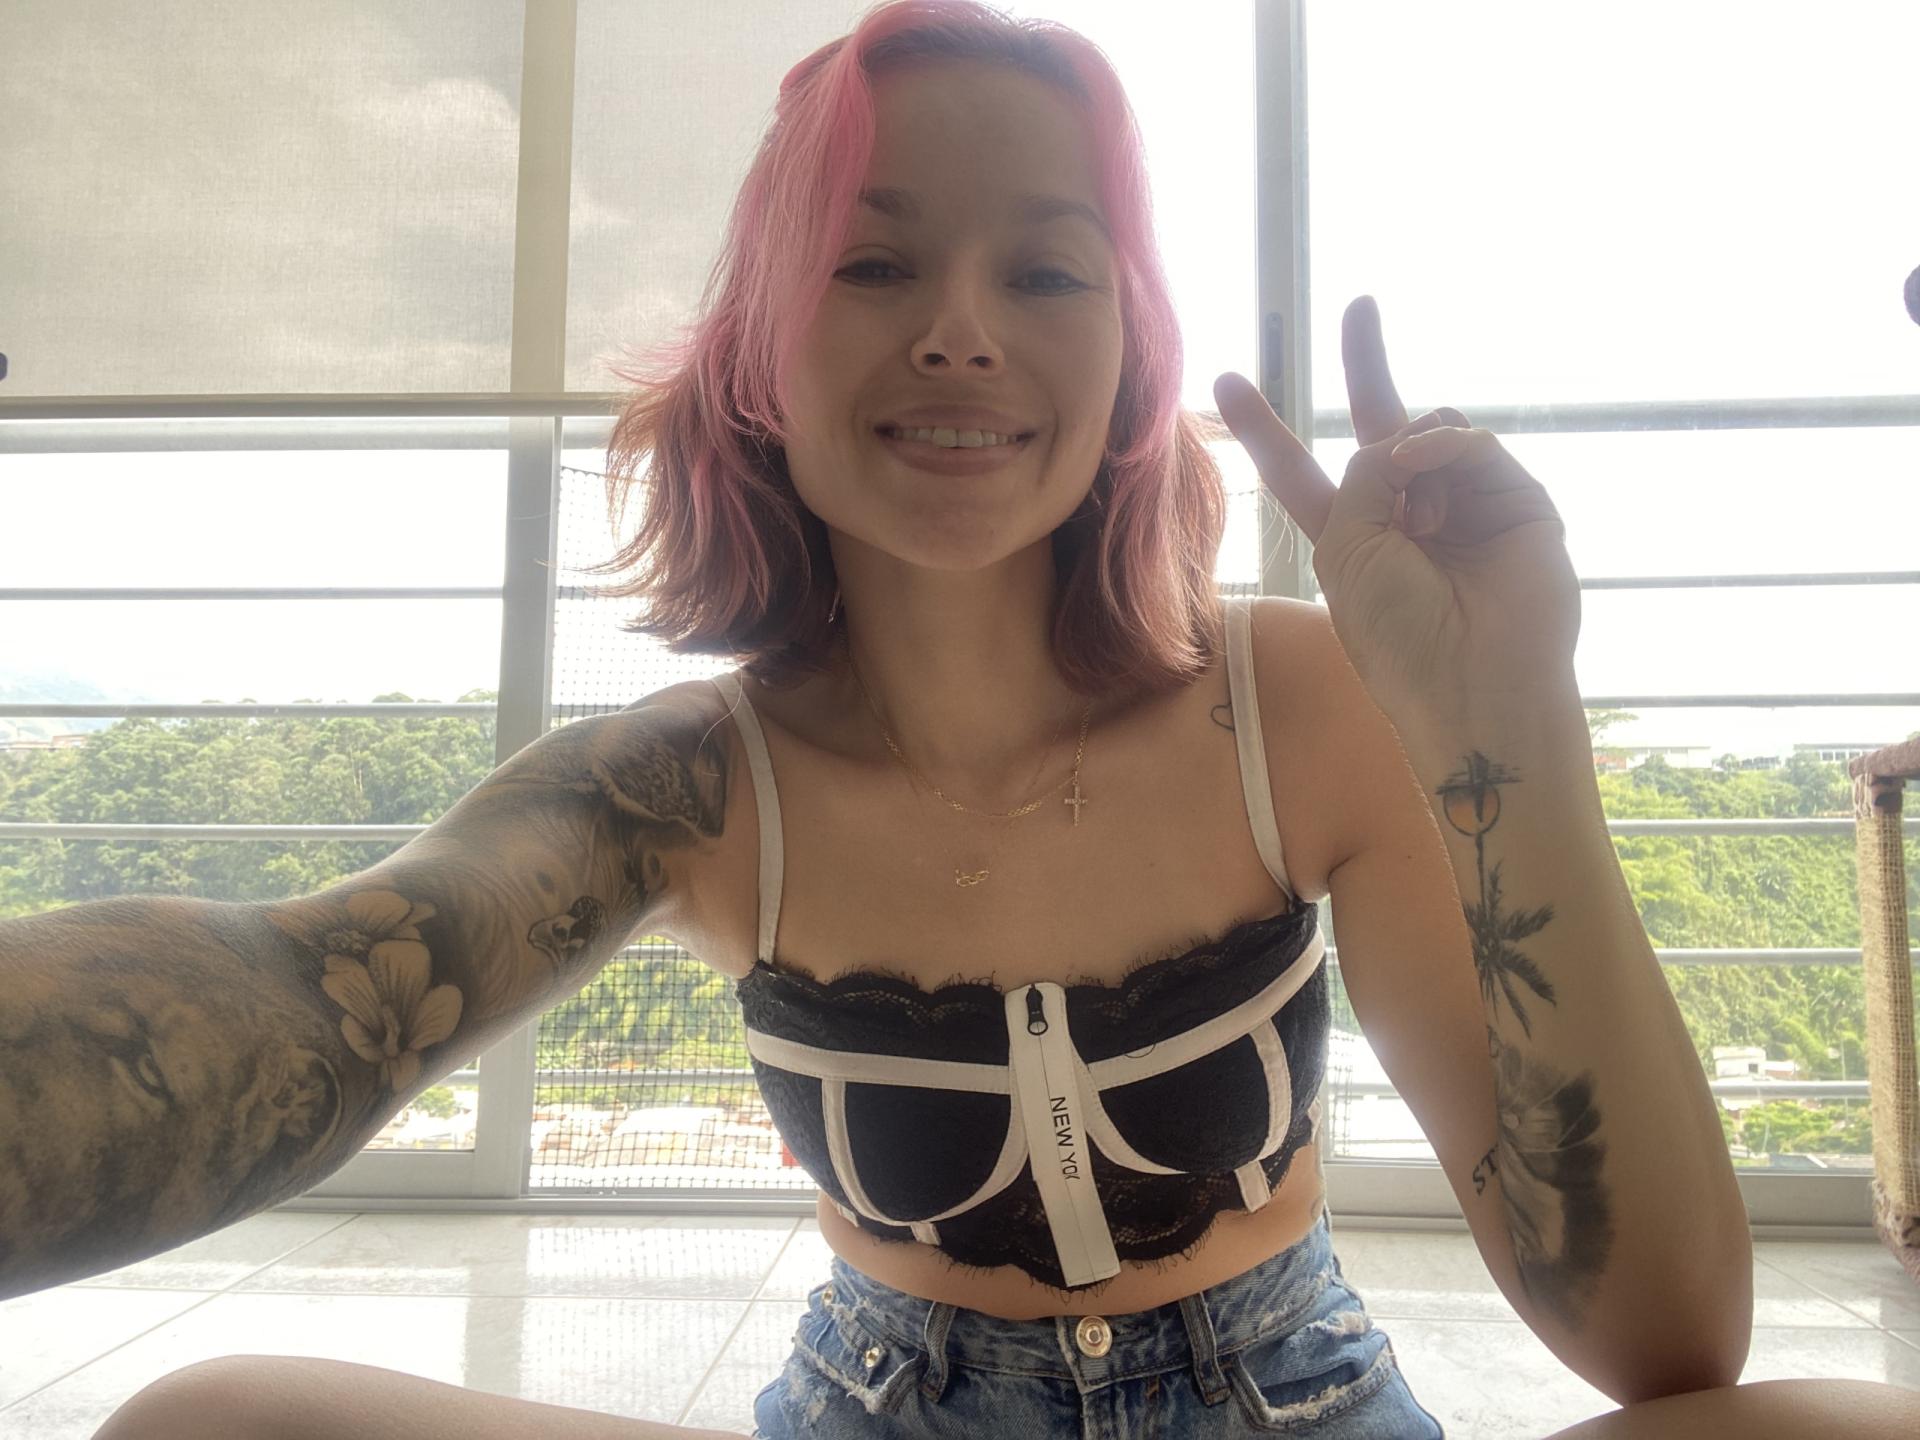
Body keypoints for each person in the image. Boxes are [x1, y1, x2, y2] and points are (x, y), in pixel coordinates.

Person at [1, 3, 1914, 1436]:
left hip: (1295, 1404)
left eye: (1048, 268)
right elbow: (319, 997)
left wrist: (1511, 732)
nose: (962, 330)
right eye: (875, 259)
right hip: (877, 1407)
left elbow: (1667, 1346)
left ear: (1127, 355)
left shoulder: (1297, 699)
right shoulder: (689, 785)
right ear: (763, 344)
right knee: (209, 1421)